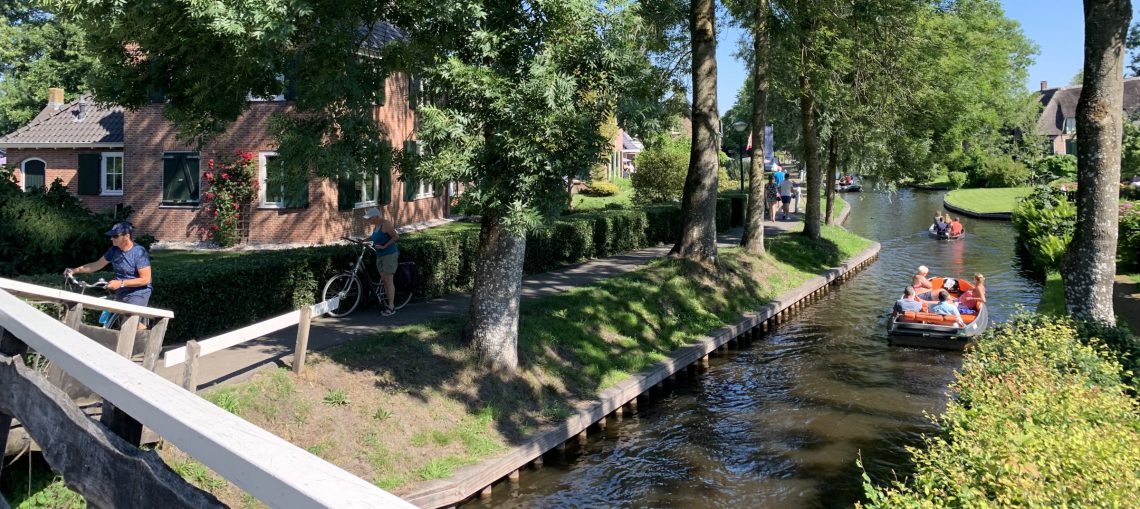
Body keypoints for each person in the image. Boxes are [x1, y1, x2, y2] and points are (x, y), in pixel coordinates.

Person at [65, 222, 152, 328]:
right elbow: (96, 265)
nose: (112, 238)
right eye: (111, 236)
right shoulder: (113, 251)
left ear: (127, 236)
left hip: (138, 293)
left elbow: (146, 279)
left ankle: (145, 340)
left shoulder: (138, 252)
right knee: (120, 322)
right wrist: (74, 270)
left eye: (115, 236)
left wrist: (121, 283)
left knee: (130, 323)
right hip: (121, 291)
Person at [364, 207, 400, 316]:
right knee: (384, 281)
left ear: (376, 217)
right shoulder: (376, 226)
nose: (368, 220)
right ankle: (387, 302)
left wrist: (384, 246)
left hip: (389, 255)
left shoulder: (386, 224)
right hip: (380, 256)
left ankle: (391, 307)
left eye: (370, 218)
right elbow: (374, 237)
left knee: (388, 281)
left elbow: (395, 236)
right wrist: (364, 240)